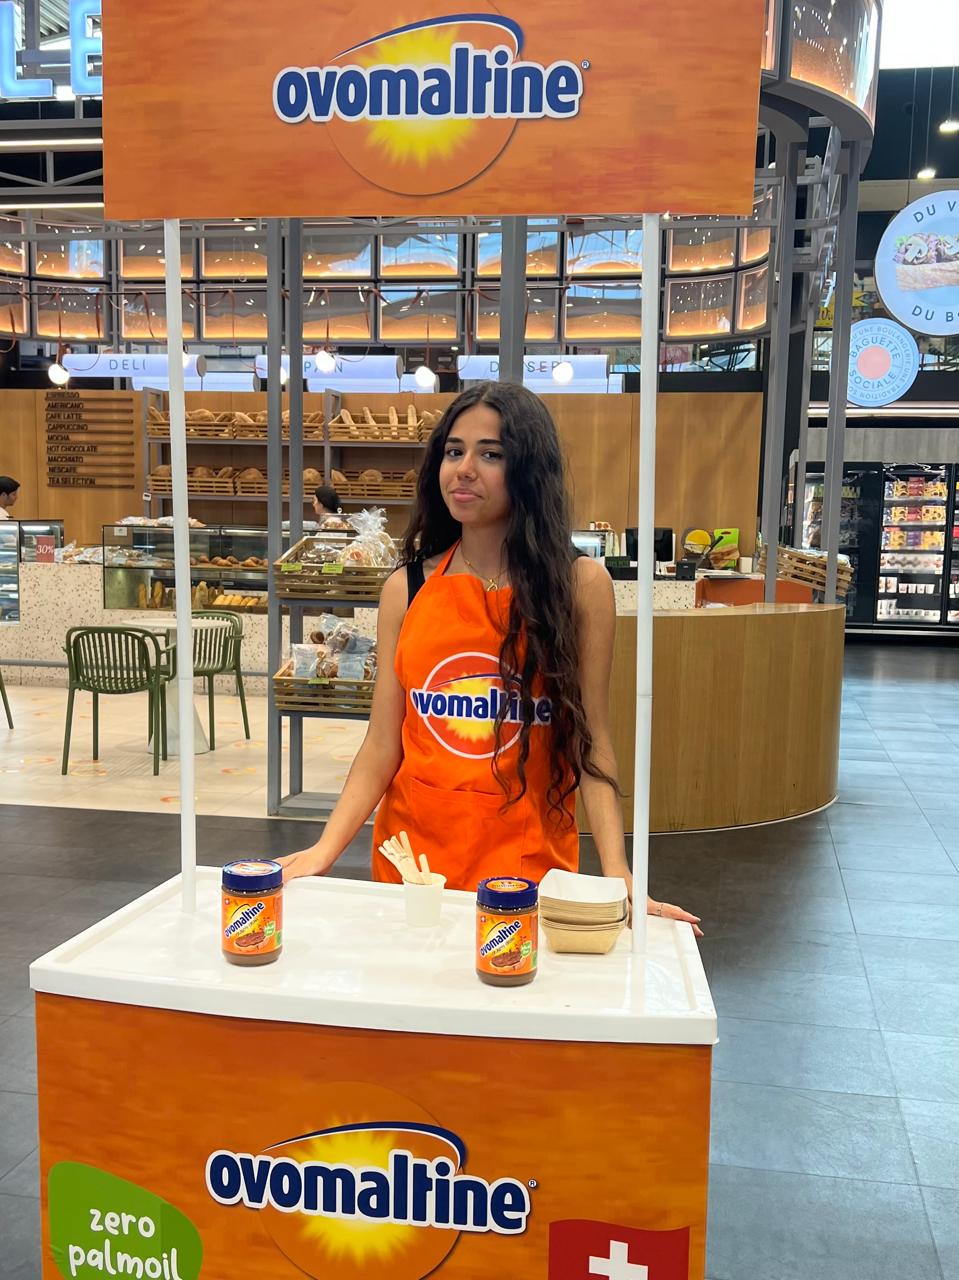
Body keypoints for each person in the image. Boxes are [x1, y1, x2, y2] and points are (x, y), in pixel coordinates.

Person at [281, 383, 701, 935]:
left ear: (528, 470)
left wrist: (618, 874)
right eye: (454, 451)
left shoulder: (580, 586)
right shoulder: (405, 589)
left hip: (528, 868)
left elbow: (591, 740)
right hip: (414, 869)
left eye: (491, 454)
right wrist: (325, 849)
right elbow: (383, 743)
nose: (465, 469)